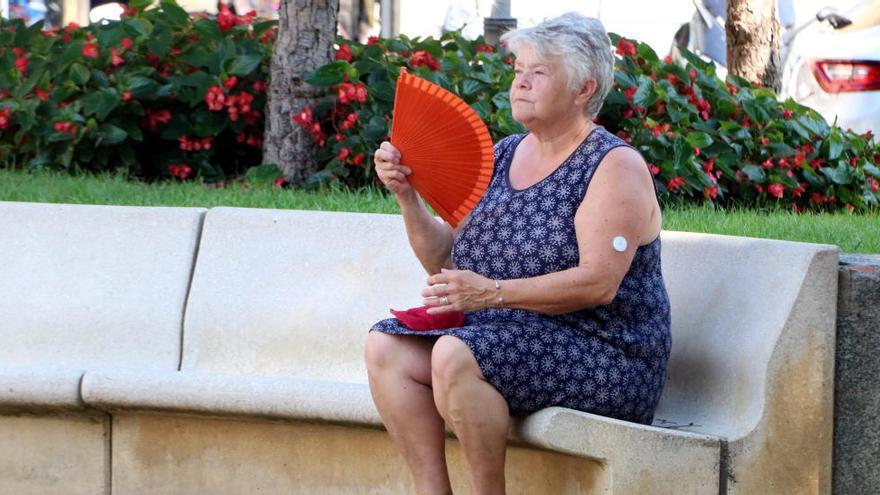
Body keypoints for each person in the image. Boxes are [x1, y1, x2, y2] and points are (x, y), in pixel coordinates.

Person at [365, 11, 671, 495]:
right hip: (509, 336)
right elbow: (445, 262)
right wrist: (408, 196)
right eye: (518, 71)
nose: (520, 83)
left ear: (584, 88)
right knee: (386, 347)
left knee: (454, 353)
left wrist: (493, 295)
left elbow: (598, 282)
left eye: (539, 72)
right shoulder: (505, 153)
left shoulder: (613, 165)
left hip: (604, 353)